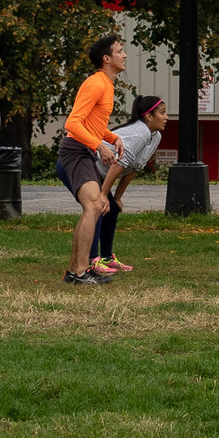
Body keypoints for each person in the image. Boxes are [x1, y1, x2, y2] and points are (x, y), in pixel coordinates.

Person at [58, 34, 124, 288]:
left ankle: (74, 271)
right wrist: (99, 145)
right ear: (106, 59)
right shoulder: (96, 83)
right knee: (94, 206)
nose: (124, 55)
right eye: (119, 51)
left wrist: (112, 137)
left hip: (83, 150)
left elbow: (92, 123)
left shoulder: (106, 84)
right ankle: (80, 271)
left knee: (94, 207)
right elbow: (73, 123)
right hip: (76, 150)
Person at [88, 95, 168, 279]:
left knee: (112, 208)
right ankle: (92, 260)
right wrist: (103, 194)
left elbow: (134, 166)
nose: (166, 117)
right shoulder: (139, 133)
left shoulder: (155, 136)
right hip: (88, 167)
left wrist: (116, 197)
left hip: (101, 175)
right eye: (162, 113)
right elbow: (119, 163)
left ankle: (107, 258)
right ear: (149, 116)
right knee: (98, 208)